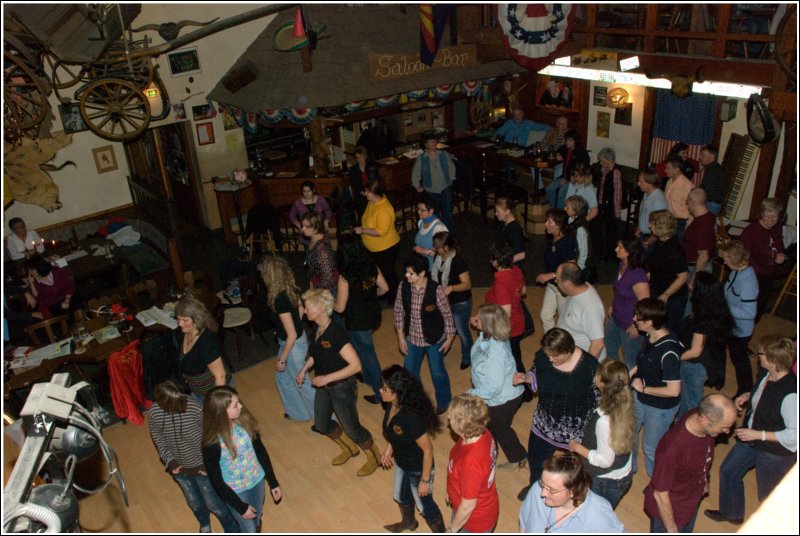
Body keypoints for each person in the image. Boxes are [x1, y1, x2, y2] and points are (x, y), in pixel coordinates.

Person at [705, 335, 797, 527]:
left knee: (768, 495)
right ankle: (732, 513)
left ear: (772, 361)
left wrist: (759, 435)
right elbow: (765, 393)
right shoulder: (769, 375)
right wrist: (748, 395)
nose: (758, 356)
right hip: (751, 438)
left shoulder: (791, 394)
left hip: (774, 453)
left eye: (761, 354)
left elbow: (794, 435)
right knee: (729, 471)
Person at [297, 288, 383, 476]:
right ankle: (350, 448)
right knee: (321, 424)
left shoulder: (336, 333)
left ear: (320, 308)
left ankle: (375, 457)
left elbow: (356, 366)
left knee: (353, 428)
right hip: (324, 386)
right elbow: (316, 352)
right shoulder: (317, 329)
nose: (304, 311)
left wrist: (326, 378)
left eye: (308, 307)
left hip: (341, 388)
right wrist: (304, 369)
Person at [513, 328, 598, 501]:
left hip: (575, 429)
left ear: (569, 350)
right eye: (548, 355)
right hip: (545, 421)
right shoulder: (544, 356)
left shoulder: (589, 366)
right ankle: (536, 487)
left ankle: (574, 494)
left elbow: (600, 395)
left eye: (556, 356)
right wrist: (526, 378)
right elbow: (535, 372)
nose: (550, 359)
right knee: (536, 459)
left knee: (579, 467)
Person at [148, 380, 238, 533]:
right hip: (180, 470)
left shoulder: (195, 407)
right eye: (176, 402)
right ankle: (204, 524)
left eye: (181, 398)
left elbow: (211, 437)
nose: (181, 403)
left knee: (214, 504)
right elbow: (158, 438)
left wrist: (208, 464)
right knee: (194, 502)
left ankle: (232, 529)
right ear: (164, 403)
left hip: (202, 467)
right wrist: (169, 460)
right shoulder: (155, 413)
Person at [643, 394, 737, 533]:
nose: (727, 432)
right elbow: (660, 495)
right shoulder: (671, 450)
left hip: (691, 501)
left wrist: (704, 480)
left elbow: (703, 455)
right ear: (706, 420)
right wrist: (671, 529)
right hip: (672, 512)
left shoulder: (698, 418)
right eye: (724, 427)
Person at [201, 386, 281, 533]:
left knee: (256, 520)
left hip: (256, 481)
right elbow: (216, 480)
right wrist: (239, 506)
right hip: (235, 491)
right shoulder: (211, 443)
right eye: (235, 405)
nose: (241, 406)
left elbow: (261, 451)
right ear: (221, 413)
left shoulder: (244, 421)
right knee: (247, 528)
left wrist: (273, 481)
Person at [379, 365, 446, 533]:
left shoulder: (411, 417)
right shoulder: (391, 406)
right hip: (402, 462)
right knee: (400, 496)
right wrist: (389, 448)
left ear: (397, 393)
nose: (380, 390)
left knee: (425, 506)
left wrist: (424, 481)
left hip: (418, 468)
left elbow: (428, 451)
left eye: (385, 388)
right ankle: (409, 523)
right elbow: (395, 432)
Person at [393, 253, 455, 414]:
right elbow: (399, 311)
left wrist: (449, 338)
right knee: (410, 374)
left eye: (411, 273)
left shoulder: (436, 290)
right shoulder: (403, 286)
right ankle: (419, 402)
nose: (407, 275)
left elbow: (447, 315)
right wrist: (400, 337)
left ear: (422, 274)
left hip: (434, 339)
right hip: (412, 339)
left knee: (437, 372)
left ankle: (445, 402)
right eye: (406, 272)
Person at [468, 303, 527, 469]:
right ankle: (490, 454)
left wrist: (470, 393)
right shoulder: (489, 336)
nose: (474, 318)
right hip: (496, 397)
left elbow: (493, 388)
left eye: (479, 318)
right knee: (493, 428)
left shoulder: (496, 352)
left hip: (502, 400)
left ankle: (518, 457)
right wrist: (480, 327)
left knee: (500, 429)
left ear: (488, 324)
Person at [568, 361, 635, 509]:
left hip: (607, 481)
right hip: (622, 471)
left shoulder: (604, 421)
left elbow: (605, 460)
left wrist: (577, 447)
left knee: (597, 516)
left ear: (603, 384)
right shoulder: (625, 399)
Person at [629, 298, 683, 477]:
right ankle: (630, 467)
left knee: (651, 448)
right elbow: (646, 359)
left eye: (639, 318)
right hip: (641, 397)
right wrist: (634, 371)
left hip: (659, 407)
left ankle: (658, 482)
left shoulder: (669, 352)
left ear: (650, 323)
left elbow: (674, 390)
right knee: (631, 431)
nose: (635, 320)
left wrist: (643, 389)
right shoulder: (650, 336)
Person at [334, 234, 389, 405]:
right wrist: (371, 296)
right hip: (373, 315)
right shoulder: (371, 266)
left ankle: (381, 393)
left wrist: (330, 303)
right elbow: (385, 288)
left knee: (368, 355)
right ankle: (367, 377)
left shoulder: (345, 276)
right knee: (364, 350)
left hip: (357, 321)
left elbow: (340, 308)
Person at [258, 256, 315, 421]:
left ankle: (323, 418)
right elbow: (302, 309)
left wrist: (282, 360)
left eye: (264, 275)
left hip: (293, 345)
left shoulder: (279, 299)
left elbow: (291, 335)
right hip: (296, 341)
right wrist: (295, 322)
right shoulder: (290, 289)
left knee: (302, 384)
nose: (262, 278)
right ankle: (300, 413)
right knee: (283, 379)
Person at [519, 452, 624, 533]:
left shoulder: (599, 518)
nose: (542, 493)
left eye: (551, 490)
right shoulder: (537, 489)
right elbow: (524, 522)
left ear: (572, 492)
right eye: (543, 484)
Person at [677, 271, 733, 416]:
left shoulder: (702, 320)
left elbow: (695, 351)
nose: (689, 283)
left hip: (694, 366)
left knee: (691, 401)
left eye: (692, 282)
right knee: (688, 397)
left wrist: (673, 357)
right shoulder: (715, 311)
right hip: (702, 363)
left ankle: (687, 427)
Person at [445, 394, 500, 533]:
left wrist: (452, 530)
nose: (448, 418)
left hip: (474, 523)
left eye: (451, 417)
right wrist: (451, 491)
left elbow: (468, 506)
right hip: (475, 504)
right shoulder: (483, 433)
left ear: (461, 425)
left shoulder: (471, 463)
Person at [718, 241, 759, 398]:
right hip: (731, 324)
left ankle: (745, 389)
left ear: (736, 259)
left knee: (740, 359)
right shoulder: (737, 271)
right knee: (734, 355)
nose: (724, 262)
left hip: (741, 329)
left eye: (727, 259)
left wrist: (726, 310)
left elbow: (749, 312)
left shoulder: (748, 282)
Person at [174, 296, 232, 401]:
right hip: (197, 393)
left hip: (213, 394)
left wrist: (217, 402)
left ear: (197, 319)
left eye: (185, 320)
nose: (180, 324)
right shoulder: (183, 333)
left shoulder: (207, 341)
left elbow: (221, 376)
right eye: (178, 319)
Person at [431, 231, 473, 370]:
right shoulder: (437, 258)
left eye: (437, 246)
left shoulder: (458, 261)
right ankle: (441, 352)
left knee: (462, 331)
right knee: (443, 328)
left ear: (447, 247)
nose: (435, 249)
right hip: (444, 302)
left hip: (460, 303)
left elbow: (467, 284)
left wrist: (451, 288)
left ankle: (468, 357)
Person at [740, 198, 787, 322]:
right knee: (749, 306)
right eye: (767, 217)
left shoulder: (776, 227)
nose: (771, 221)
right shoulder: (751, 232)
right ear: (761, 214)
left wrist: (781, 255)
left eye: (774, 217)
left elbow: (779, 245)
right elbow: (744, 256)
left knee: (761, 304)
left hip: (769, 272)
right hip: (753, 274)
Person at [604, 239, 649, 369]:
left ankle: (632, 387)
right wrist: (613, 304)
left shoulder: (638, 275)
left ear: (629, 252)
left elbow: (645, 304)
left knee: (631, 360)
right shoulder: (622, 265)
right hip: (616, 317)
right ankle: (615, 377)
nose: (615, 250)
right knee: (610, 347)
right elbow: (619, 289)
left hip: (630, 323)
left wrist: (636, 325)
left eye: (619, 248)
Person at [356, 178, 401, 303]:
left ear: (373, 193)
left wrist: (363, 230)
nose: (365, 193)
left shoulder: (383, 209)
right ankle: (384, 292)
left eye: (367, 191)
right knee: (378, 272)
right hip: (375, 248)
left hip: (386, 248)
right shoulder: (372, 202)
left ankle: (395, 297)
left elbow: (381, 231)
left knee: (387, 273)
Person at [645, 210, 688, 334]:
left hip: (673, 297)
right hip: (658, 290)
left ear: (661, 227)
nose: (649, 226)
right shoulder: (661, 242)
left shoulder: (674, 249)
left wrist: (665, 295)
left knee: (669, 329)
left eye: (652, 224)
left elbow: (683, 277)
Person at [486, 243, 526, 373]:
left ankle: (523, 390)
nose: (490, 261)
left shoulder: (501, 282)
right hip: (518, 321)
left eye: (492, 258)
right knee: (515, 357)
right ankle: (524, 389)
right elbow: (523, 291)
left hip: (508, 328)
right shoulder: (516, 270)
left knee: (512, 361)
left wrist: (485, 318)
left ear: (497, 262)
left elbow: (506, 313)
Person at [534, 209, 576, 333]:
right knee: (545, 316)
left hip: (563, 287)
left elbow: (571, 266)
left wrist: (551, 275)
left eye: (549, 221)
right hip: (553, 285)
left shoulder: (566, 243)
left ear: (558, 225)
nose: (546, 224)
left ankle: (563, 346)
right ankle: (553, 343)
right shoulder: (553, 239)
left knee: (564, 322)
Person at [554, 262, 606, 361]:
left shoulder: (590, 308)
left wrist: (585, 369)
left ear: (568, 284)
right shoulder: (578, 288)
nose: (556, 282)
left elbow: (598, 344)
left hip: (580, 362)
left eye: (557, 280)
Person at [411, 131, 456, 232]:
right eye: (431, 142)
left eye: (434, 141)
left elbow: (451, 166)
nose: (434, 143)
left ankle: (449, 234)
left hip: (445, 187)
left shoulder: (443, 154)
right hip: (431, 190)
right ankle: (438, 234)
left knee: (448, 212)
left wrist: (452, 178)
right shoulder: (422, 159)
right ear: (426, 145)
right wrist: (417, 185)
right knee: (435, 213)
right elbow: (416, 172)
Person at [683, 188, 716, 304]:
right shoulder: (708, 217)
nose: (686, 203)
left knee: (692, 304)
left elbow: (703, 255)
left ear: (693, 202)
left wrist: (694, 279)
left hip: (697, 267)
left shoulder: (702, 225)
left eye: (688, 201)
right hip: (695, 265)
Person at [546, 130, 590, 210]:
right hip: (564, 176)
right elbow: (560, 149)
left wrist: (567, 180)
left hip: (575, 179)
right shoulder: (566, 148)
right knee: (549, 189)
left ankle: (561, 214)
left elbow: (581, 171)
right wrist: (558, 154)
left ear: (575, 141)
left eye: (570, 140)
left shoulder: (581, 153)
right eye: (566, 140)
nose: (567, 142)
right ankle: (554, 210)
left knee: (562, 193)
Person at [23, 255, 77, 319]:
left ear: (39, 267)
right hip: (54, 305)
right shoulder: (36, 282)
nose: (30, 272)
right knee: (60, 310)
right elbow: (40, 299)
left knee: (76, 302)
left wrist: (67, 301)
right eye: (29, 270)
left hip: (68, 297)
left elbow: (69, 286)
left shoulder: (56, 271)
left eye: (31, 270)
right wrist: (32, 284)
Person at [594, 148, 624, 259]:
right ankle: (600, 250)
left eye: (602, 160)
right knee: (596, 226)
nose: (600, 163)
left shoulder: (615, 172)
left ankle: (610, 254)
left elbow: (618, 193)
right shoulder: (604, 169)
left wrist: (617, 212)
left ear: (609, 160)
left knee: (611, 231)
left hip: (610, 206)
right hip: (602, 203)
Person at [301, 211, 338, 295]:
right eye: (302, 226)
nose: (303, 229)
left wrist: (315, 293)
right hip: (316, 281)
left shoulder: (322, 249)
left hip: (325, 290)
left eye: (306, 226)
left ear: (316, 228)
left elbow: (328, 279)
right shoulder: (313, 239)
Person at [342, 146, 378, 228]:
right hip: (361, 197)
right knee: (363, 215)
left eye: (361, 157)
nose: (359, 160)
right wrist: (363, 192)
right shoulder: (353, 170)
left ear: (365, 156)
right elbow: (354, 185)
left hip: (373, 193)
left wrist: (371, 192)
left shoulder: (371, 167)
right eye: (357, 158)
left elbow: (377, 180)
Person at [288, 181, 333, 246]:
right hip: (307, 231)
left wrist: (326, 221)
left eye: (309, 191)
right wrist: (299, 226)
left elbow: (328, 211)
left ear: (313, 190)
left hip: (319, 229)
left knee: (324, 250)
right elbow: (292, 216)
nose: (306, 193)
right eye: (304, 191)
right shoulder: (298, 203)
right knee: (310, 252)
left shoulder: (320, 200)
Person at [412, 194, 448, 271]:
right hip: (422, 265)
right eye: (418, 208)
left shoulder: (439, 228)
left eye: (422, 210)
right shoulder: (421, 222)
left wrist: (424, 251)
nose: (418, 212)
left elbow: (445, 254)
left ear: (431, 211)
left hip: (435, 268)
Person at [635, 169, 668, 251]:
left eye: (641, 182)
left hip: (651, 239)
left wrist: (648, 242)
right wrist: (639, 227)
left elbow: (661, 227)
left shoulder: (658, 201)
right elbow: (644, 212)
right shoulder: (646, 193)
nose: (638, 184)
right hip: (643, 234)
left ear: (650, 183)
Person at [663, 156, 693, 243]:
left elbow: (693, 208)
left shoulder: (687, 185)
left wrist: (687, 227)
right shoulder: (669, 181)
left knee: (679, 247)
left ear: (676, 169)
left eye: (667, 168)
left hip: (681, 223)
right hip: (669, 219)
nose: (665, 170)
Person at [565, 195, 593, 283]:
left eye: (568, 207)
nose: (565, 209)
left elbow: (583, 251)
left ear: (575, 211)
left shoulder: (580, 229)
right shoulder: (571, 220)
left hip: (579, 266)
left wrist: (578, 268)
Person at [697, 144, 725, 215]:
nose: (700, 157)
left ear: (712, 156)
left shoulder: (713, 170)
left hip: (711, 204)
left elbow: (708, 191)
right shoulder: (713, 167)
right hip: (713, 203)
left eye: (703, 155)